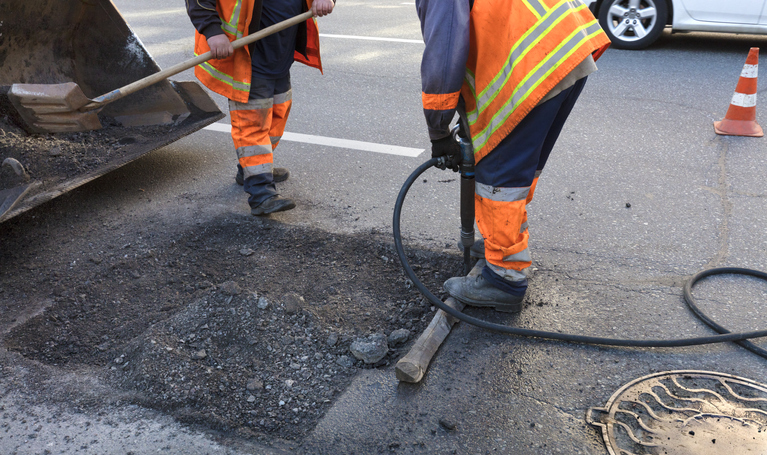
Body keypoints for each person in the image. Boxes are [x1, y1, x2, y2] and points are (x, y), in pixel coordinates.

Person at [416, 0, 610, 312]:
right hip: (563, 43)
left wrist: (438, 131)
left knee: (500, 173)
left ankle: (504, 278)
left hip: (531, 59)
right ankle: (503, 247)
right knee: (519, 169)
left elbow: (446, 47)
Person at [187, 0, 334, 215]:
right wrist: (213, 32)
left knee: (278, 114)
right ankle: (261, 193)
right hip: (249, 58)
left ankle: (250, 169)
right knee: (253, 123)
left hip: (280, 54)